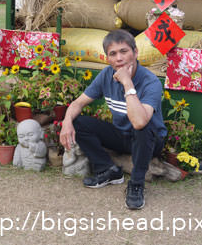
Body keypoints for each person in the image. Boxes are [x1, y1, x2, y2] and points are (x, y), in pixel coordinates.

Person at [59, 29, 166, 210]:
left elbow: (139, 122)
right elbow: (78, 103)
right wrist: (66, 123)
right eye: (113, 54)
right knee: (78, 122)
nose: (119, 58)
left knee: (143, 127)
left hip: (149, 140)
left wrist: (127, 83)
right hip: (122, 136)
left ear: (135, 52)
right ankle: (108, 170)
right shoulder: (106, 75)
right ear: (107, 58)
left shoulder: (150, 81)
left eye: (124, 51)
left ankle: (136, 184)